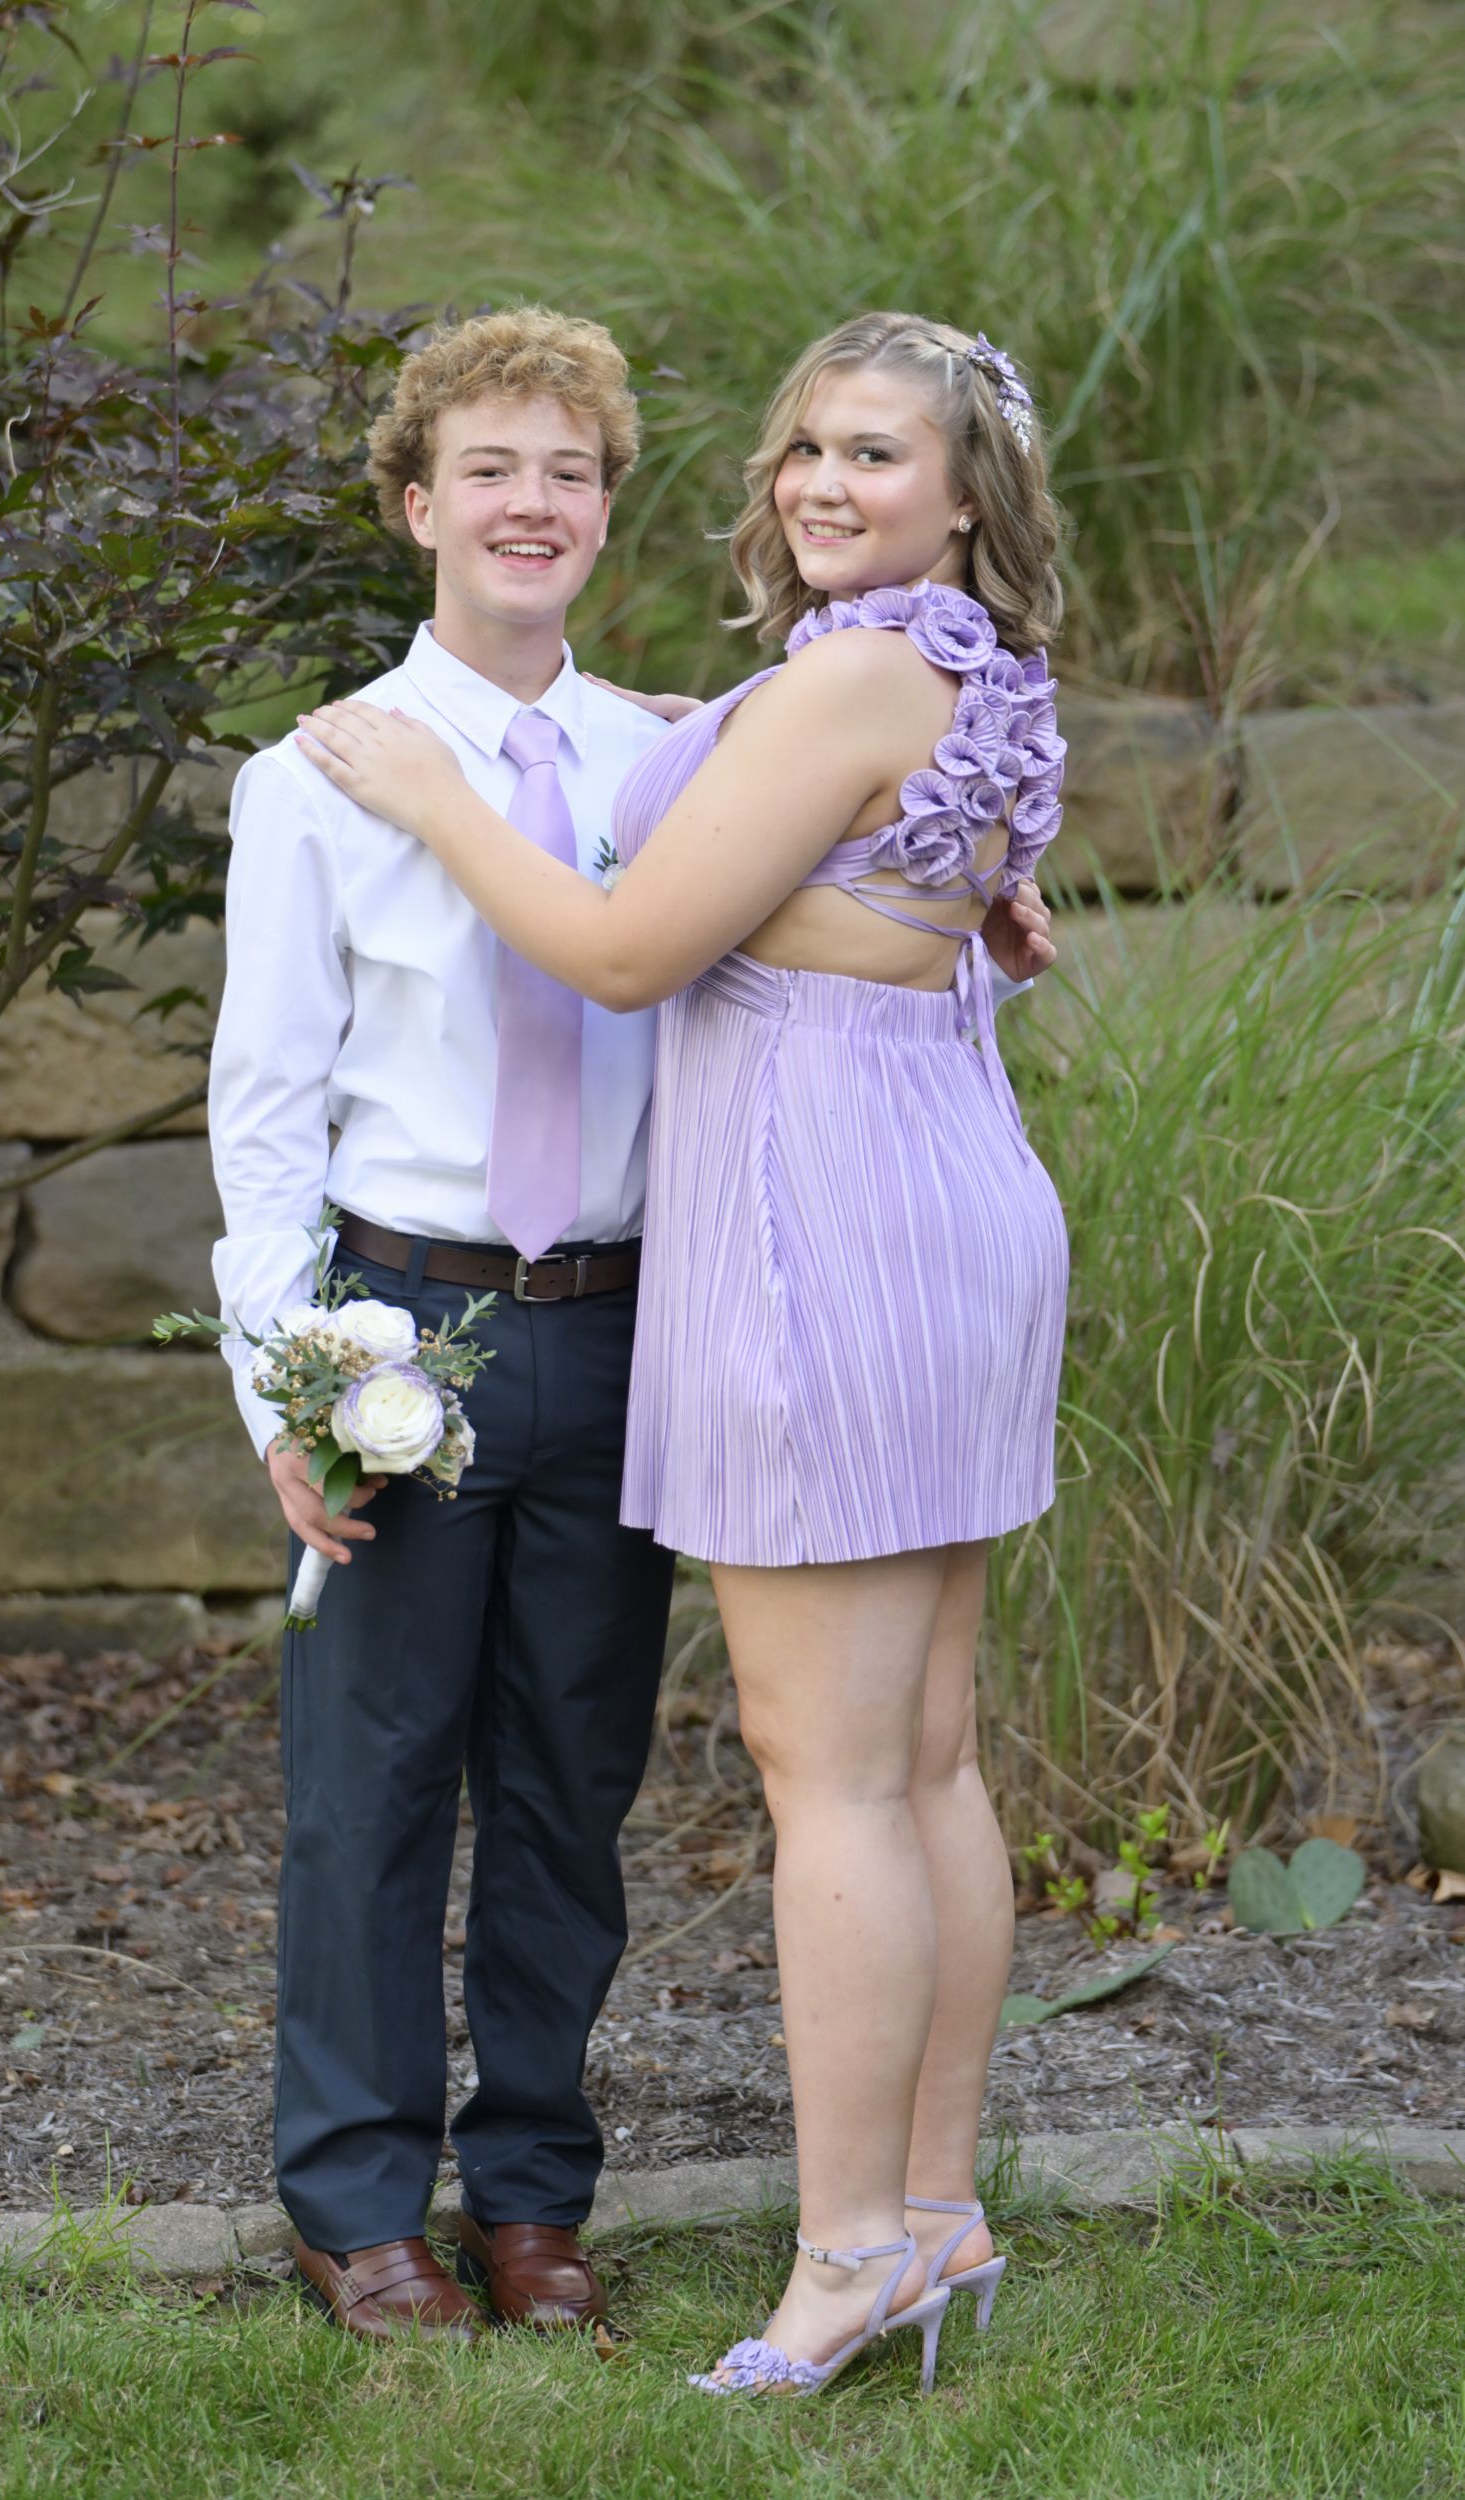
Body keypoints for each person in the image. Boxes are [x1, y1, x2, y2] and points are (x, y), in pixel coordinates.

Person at [293, 309, 1069, 2393]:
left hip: (831, 1228)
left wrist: (440, 796)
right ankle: (937, 2211)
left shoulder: (841, 683)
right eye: (805, 443)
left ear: (965, 493)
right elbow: (910, 873)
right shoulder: (965, 664)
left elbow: (630, 948)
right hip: (946, 1189)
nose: (822, 479)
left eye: (876, 452)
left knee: (837, 1776)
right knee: (927, 1755)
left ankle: (845, 2257)